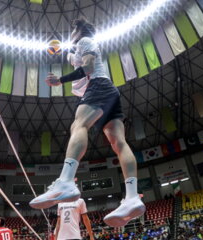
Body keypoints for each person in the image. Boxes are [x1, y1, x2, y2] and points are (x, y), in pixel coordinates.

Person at [29, 17, 145, 227]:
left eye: (73, 30)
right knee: (118, 143)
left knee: (78, 125)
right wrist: (62, 50)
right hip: (108, 92)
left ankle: (65, 181)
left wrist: (60, 80)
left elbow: (89, 67)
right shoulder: (77, 50)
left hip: (98, 86)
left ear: (79, 31)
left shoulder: (87, 41)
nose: (70, 34)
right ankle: (132, 197)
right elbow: (72, 57)